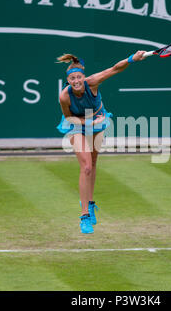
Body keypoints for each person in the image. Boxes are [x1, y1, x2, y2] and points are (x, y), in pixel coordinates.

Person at [56, 51, 147, 234]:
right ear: (68, 80)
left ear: (84, 77)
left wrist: (131, 59)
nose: (76, 81)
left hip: (96, 120)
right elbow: (69, 118)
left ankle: (90, 204)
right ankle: (84, 217)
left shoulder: (93, 82)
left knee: (94, 163)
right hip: (77, 124)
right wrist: (89, 122)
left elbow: (115, 69)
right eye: (72, 78)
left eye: (79, 77)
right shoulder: (64, 96)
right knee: (86, 167)